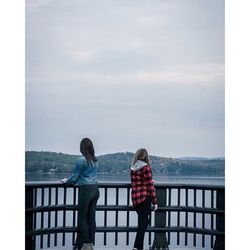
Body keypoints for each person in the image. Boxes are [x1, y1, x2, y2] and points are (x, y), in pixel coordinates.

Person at [61, 138, 99, 250]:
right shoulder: (95, 160)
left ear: (82, 147)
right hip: (95, 189)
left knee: (82, 218)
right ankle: (91, 243)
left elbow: (74, 177)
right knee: (91, 218)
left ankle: (86, 245)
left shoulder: (81, 160)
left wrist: (65, 181)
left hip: (86, 190)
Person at [130, 148, 158, 250]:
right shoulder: (146, 167)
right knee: (143, 224)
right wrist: (155, 202)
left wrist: (150, 180)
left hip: (135, 199)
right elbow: (150, 186)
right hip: (144, 198)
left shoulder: (133, 167)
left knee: (144, 222)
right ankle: (136, 248)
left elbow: (138, 181)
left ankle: (138, 247)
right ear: (146, 157)